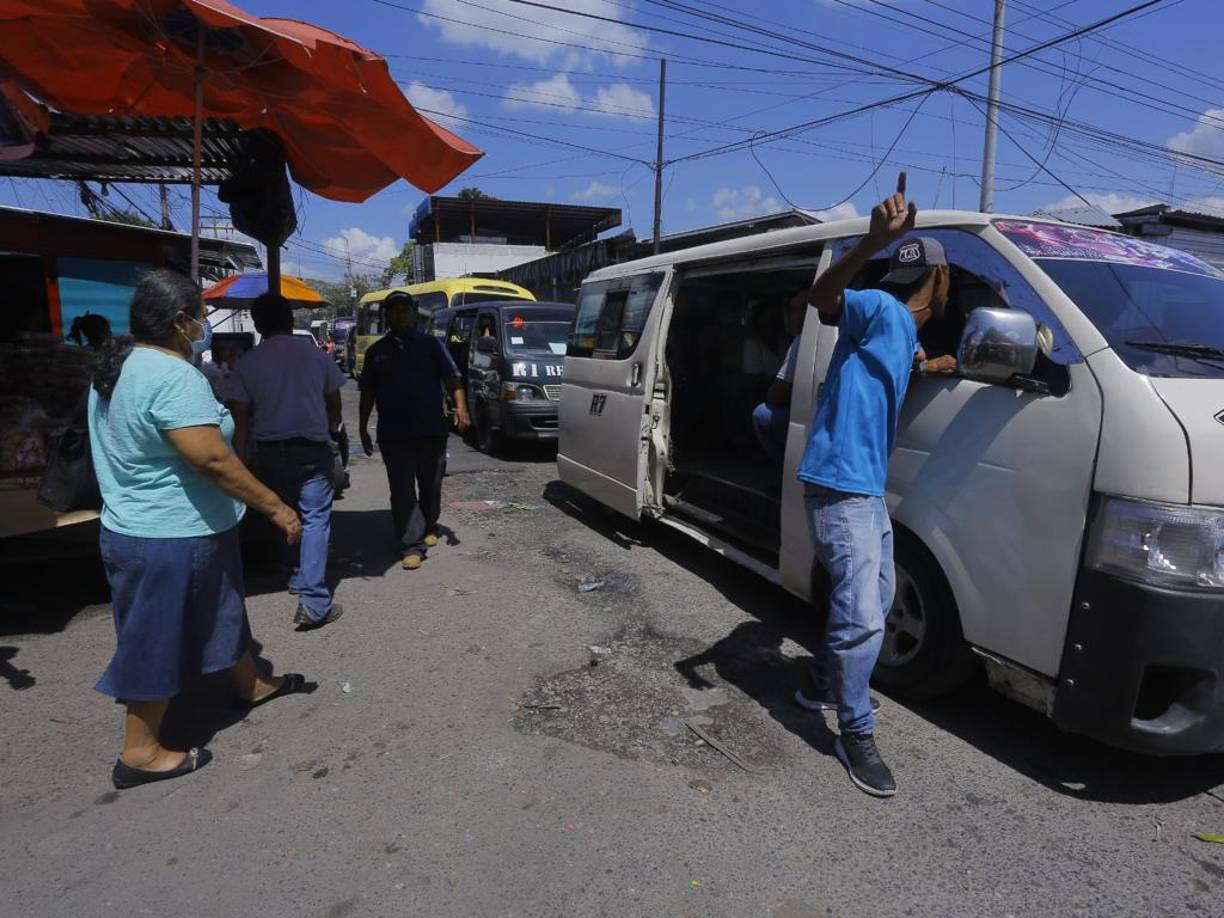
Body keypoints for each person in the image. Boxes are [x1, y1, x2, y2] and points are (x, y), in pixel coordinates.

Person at [88, 269, 307, 791]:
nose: (207, 323)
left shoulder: (123, 366)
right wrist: (276, 506)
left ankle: (250, 682)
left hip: (158, 528)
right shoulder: (172, 375)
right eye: (202, 315)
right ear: (182, 321)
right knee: (154, 638)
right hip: (167, 536)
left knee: (222, 608)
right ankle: (139, 751)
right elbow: (211, 459)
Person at [796, 173, 952, 798]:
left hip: (861, 489)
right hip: (841, 486)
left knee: (874, 599)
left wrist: (929, 364)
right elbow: (824, 298)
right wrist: (866, 245)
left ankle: (818, 683)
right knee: (863, 615)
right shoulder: (882, 308)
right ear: (938, 282)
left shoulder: (900, 332)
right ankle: (853, 728)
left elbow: (888, 357)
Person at [229, 293, 347, 629]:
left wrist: (239, 463)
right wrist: (329, 429)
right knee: (315, 520)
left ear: (257, 324)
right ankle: (312, 600)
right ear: (292, 320)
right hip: (311, 449)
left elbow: (242, 420)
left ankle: (296, 575)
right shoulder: (315, 355)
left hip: (267, 452)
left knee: (281, 514)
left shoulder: (248, 363)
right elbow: (334, 405)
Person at [358, 291, 470, 570]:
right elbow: (367, 394)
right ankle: (410, 544)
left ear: (413, 313)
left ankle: (429, 525)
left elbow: (453, 379)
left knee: (431, 486)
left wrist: (462, 408)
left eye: (404, 309)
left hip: (431, 430)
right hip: (394, 434)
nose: (400, 315)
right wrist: (362, 427)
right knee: (402, 490)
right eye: (394, 311)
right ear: (387, 316)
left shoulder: (432, 345)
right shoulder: (376, 353)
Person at [750, 289, 807, 464]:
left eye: (793, 309)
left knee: (762, 414)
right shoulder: (754, 343)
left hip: (799, 403)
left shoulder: (799, 340)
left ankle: (783, 470)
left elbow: (776, 396)